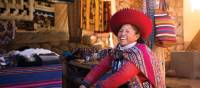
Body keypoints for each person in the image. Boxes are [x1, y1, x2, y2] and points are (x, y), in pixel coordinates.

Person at [79, 8, 165, 88]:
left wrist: (99, 86)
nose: (123, 34)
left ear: (137, 36)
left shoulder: (139, 53)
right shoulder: (117, 51)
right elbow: (101, 66)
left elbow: (123, 75)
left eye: (127, 31)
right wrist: (85, 83)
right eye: (121, 31)